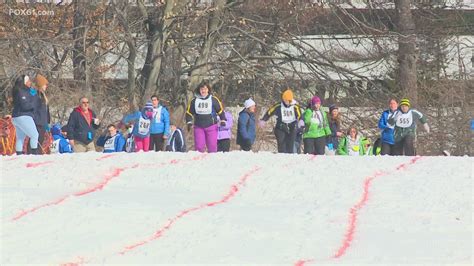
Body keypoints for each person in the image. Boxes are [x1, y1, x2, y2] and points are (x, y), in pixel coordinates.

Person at [185, 81, 226, 153]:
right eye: (201, 89)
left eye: (205, 89)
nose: (203, 91)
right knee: (199, 147)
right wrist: (189, 122)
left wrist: (223, 120)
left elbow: (220, 110)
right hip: (199, 126)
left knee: (212, 146)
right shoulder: (194, 101)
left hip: (211, 126)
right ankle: (200, 162)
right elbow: (189, 113)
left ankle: (212, 161)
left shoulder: (213, 99)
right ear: (199, 90)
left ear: (208, 90)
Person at [260, 89, 302, 153]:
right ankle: (281, 156)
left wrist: (301, 121)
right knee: (281, 144)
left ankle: (290, 157)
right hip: (281, 127)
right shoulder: (279, 105)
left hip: (292, 127)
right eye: (285, 100)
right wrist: (263, 120)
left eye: (288, 100)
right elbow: (269, 112)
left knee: (290, 145)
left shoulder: (295, 106)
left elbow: (299, 115)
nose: (286, 102)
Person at [11, 75, 40, 155]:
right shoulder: (21, 91)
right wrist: (33, 104)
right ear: (24, 82)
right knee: (34, 135)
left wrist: (34, 95)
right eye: (28, 81)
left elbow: (34, 98)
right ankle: (34, 153)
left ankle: (19, 154)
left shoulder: (26, 91)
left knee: (20, 137)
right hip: (23, 116)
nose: (30, 82)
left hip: (17, 117)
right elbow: (25, 105)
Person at [31, 74, 51, 154]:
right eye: (45, 84)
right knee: (36, 140)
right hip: (37, 122)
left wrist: (48, 121)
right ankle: (33, 154)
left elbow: (46, 110)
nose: (46, 86)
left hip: (43, 122)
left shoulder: (43, 95)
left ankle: (38, 154)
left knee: (41, 140)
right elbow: (33, 109)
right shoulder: (36, 95)